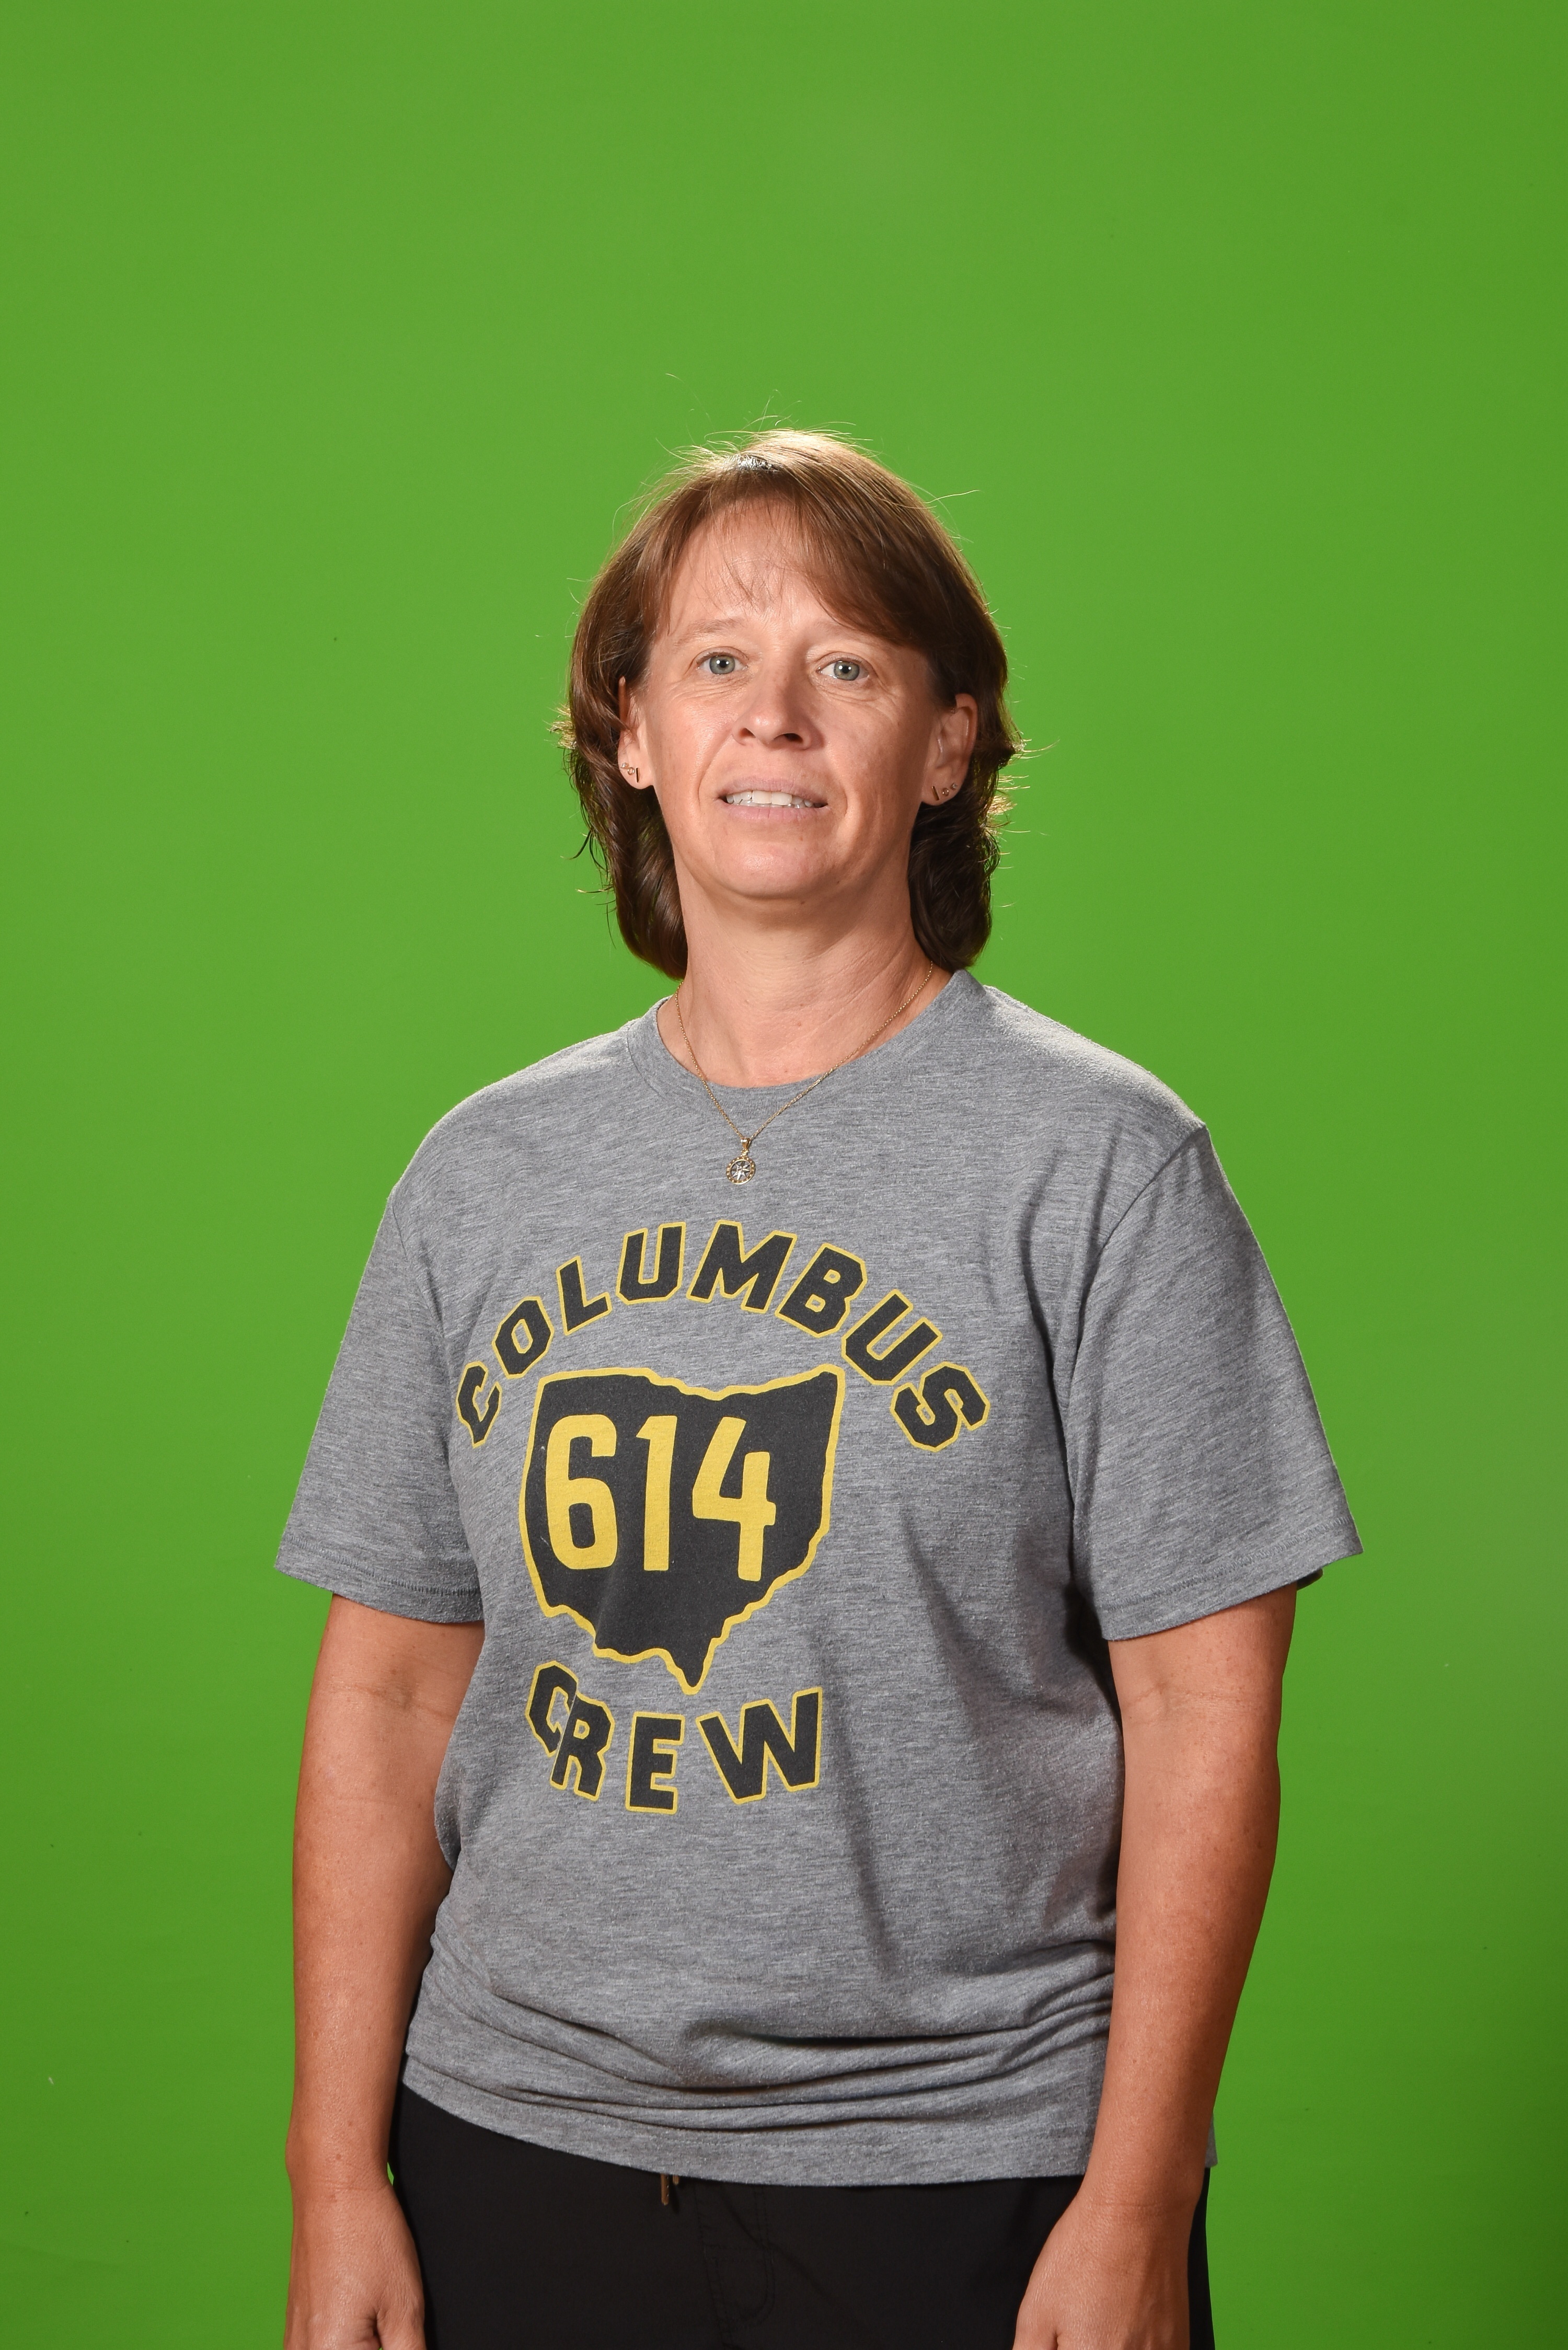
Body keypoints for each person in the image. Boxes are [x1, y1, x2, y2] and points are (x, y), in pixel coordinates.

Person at [278, 430, 1359, 2350]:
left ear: (947, 746)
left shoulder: (1101, 1166)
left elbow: (1207, 1708)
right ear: (630, 733)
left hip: (968, 2167)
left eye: (848, 664)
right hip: (511, 2149)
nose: (774, 713)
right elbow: (388, 1696)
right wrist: (335, 2177)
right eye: (717, 660)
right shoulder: (484, 1173)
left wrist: (1140, 2200)